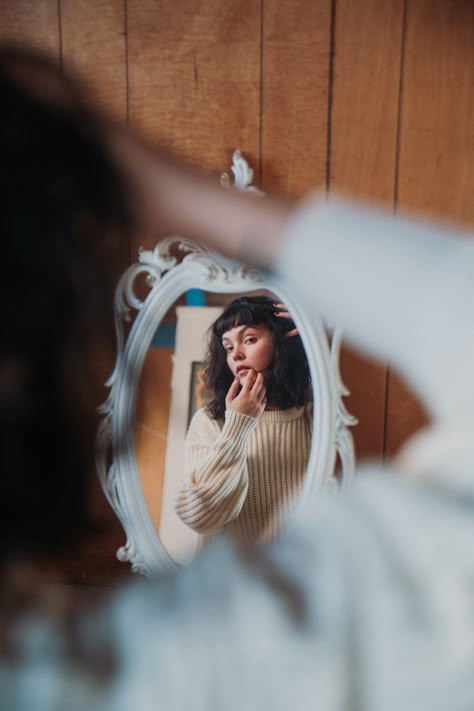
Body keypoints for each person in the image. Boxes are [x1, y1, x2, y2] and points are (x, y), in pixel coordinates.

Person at [2, 45, 474, 711]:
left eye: (246, 335)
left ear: (276, 345)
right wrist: (232, 433)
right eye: (226, 339)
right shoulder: (209, 427)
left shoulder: (305, 418)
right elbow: (195, 512)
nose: (233, 348)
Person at [175, 295, 321, 544]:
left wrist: (316, 335)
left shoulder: (315, 413)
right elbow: (200, 518)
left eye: (250, 339)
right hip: (230, 578)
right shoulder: (210, 422)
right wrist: (238, 425)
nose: (236, 355)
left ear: (282, 344)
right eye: (228, 347)